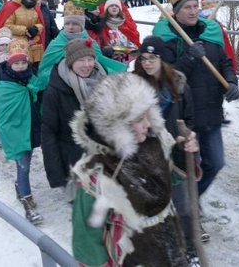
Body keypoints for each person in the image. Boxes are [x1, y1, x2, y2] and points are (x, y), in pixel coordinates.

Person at [70, 73, 197, 267]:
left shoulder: (153, 143)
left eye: (148, 115)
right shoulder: (97, 174)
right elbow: (87, 237)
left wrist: (181, 154)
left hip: (169, 247)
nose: (147, 124)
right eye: (139, 119)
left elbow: (169, 180)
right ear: (117, 124)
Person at [152, 0, 239, 203]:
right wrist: (190, 56)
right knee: (189, 165)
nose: (193, 12)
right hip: (184, 117)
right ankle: (188, 212)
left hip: (211, 111)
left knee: (216, 162)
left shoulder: (210, 32)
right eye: (187, 8)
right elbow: (166, 76)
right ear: (176, 12)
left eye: (194, 6)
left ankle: (192, 200)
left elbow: (225, 62)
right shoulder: (167, 39)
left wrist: (231, 83)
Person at [132, 35, 200, 265]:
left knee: (183, 206)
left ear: (163, 60)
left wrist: (187, 136)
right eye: (143, 58)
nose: (147, 63)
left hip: (176, 156)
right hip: (147, 158)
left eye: (153, 58)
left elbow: (190, 119)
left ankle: (190, 249)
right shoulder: (132, 87)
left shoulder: (179, 85)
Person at [41, 38, 108, 195]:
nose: (87, 65)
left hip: (102, 157)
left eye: (90, 59)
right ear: (71, 62)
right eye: (81, 60)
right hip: (73, 161)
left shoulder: (104, 81)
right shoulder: (55, 91)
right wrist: (56, 173)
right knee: (81, 209)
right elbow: (48, 132)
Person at [0, 40, 43, 225]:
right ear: (9, 63)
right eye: (16, 63)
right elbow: (2, 113)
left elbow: (38, 96)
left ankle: (19, 187)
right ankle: (27, 201)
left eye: (23, 62)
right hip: (15, 130)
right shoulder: (5, 85)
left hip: (30, 127)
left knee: (27, 160)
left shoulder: (32, 77)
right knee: (24, 166)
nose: (21, 66)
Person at [0, 0, 46, 74]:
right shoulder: (11, 7)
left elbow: (41, 24)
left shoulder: (35, 7)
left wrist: (36, 28)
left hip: (33, 45)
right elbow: (7, 25)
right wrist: (25, 30)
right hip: (17, 45)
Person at [91, 0, 140, 64]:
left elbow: (133, 39)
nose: (114, 7)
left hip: (126, 60)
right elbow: (99, 44)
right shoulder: (102, 25)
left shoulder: (126, 23)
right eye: (111, 6)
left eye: (116, 6)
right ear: (106, 9)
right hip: (110, 61)